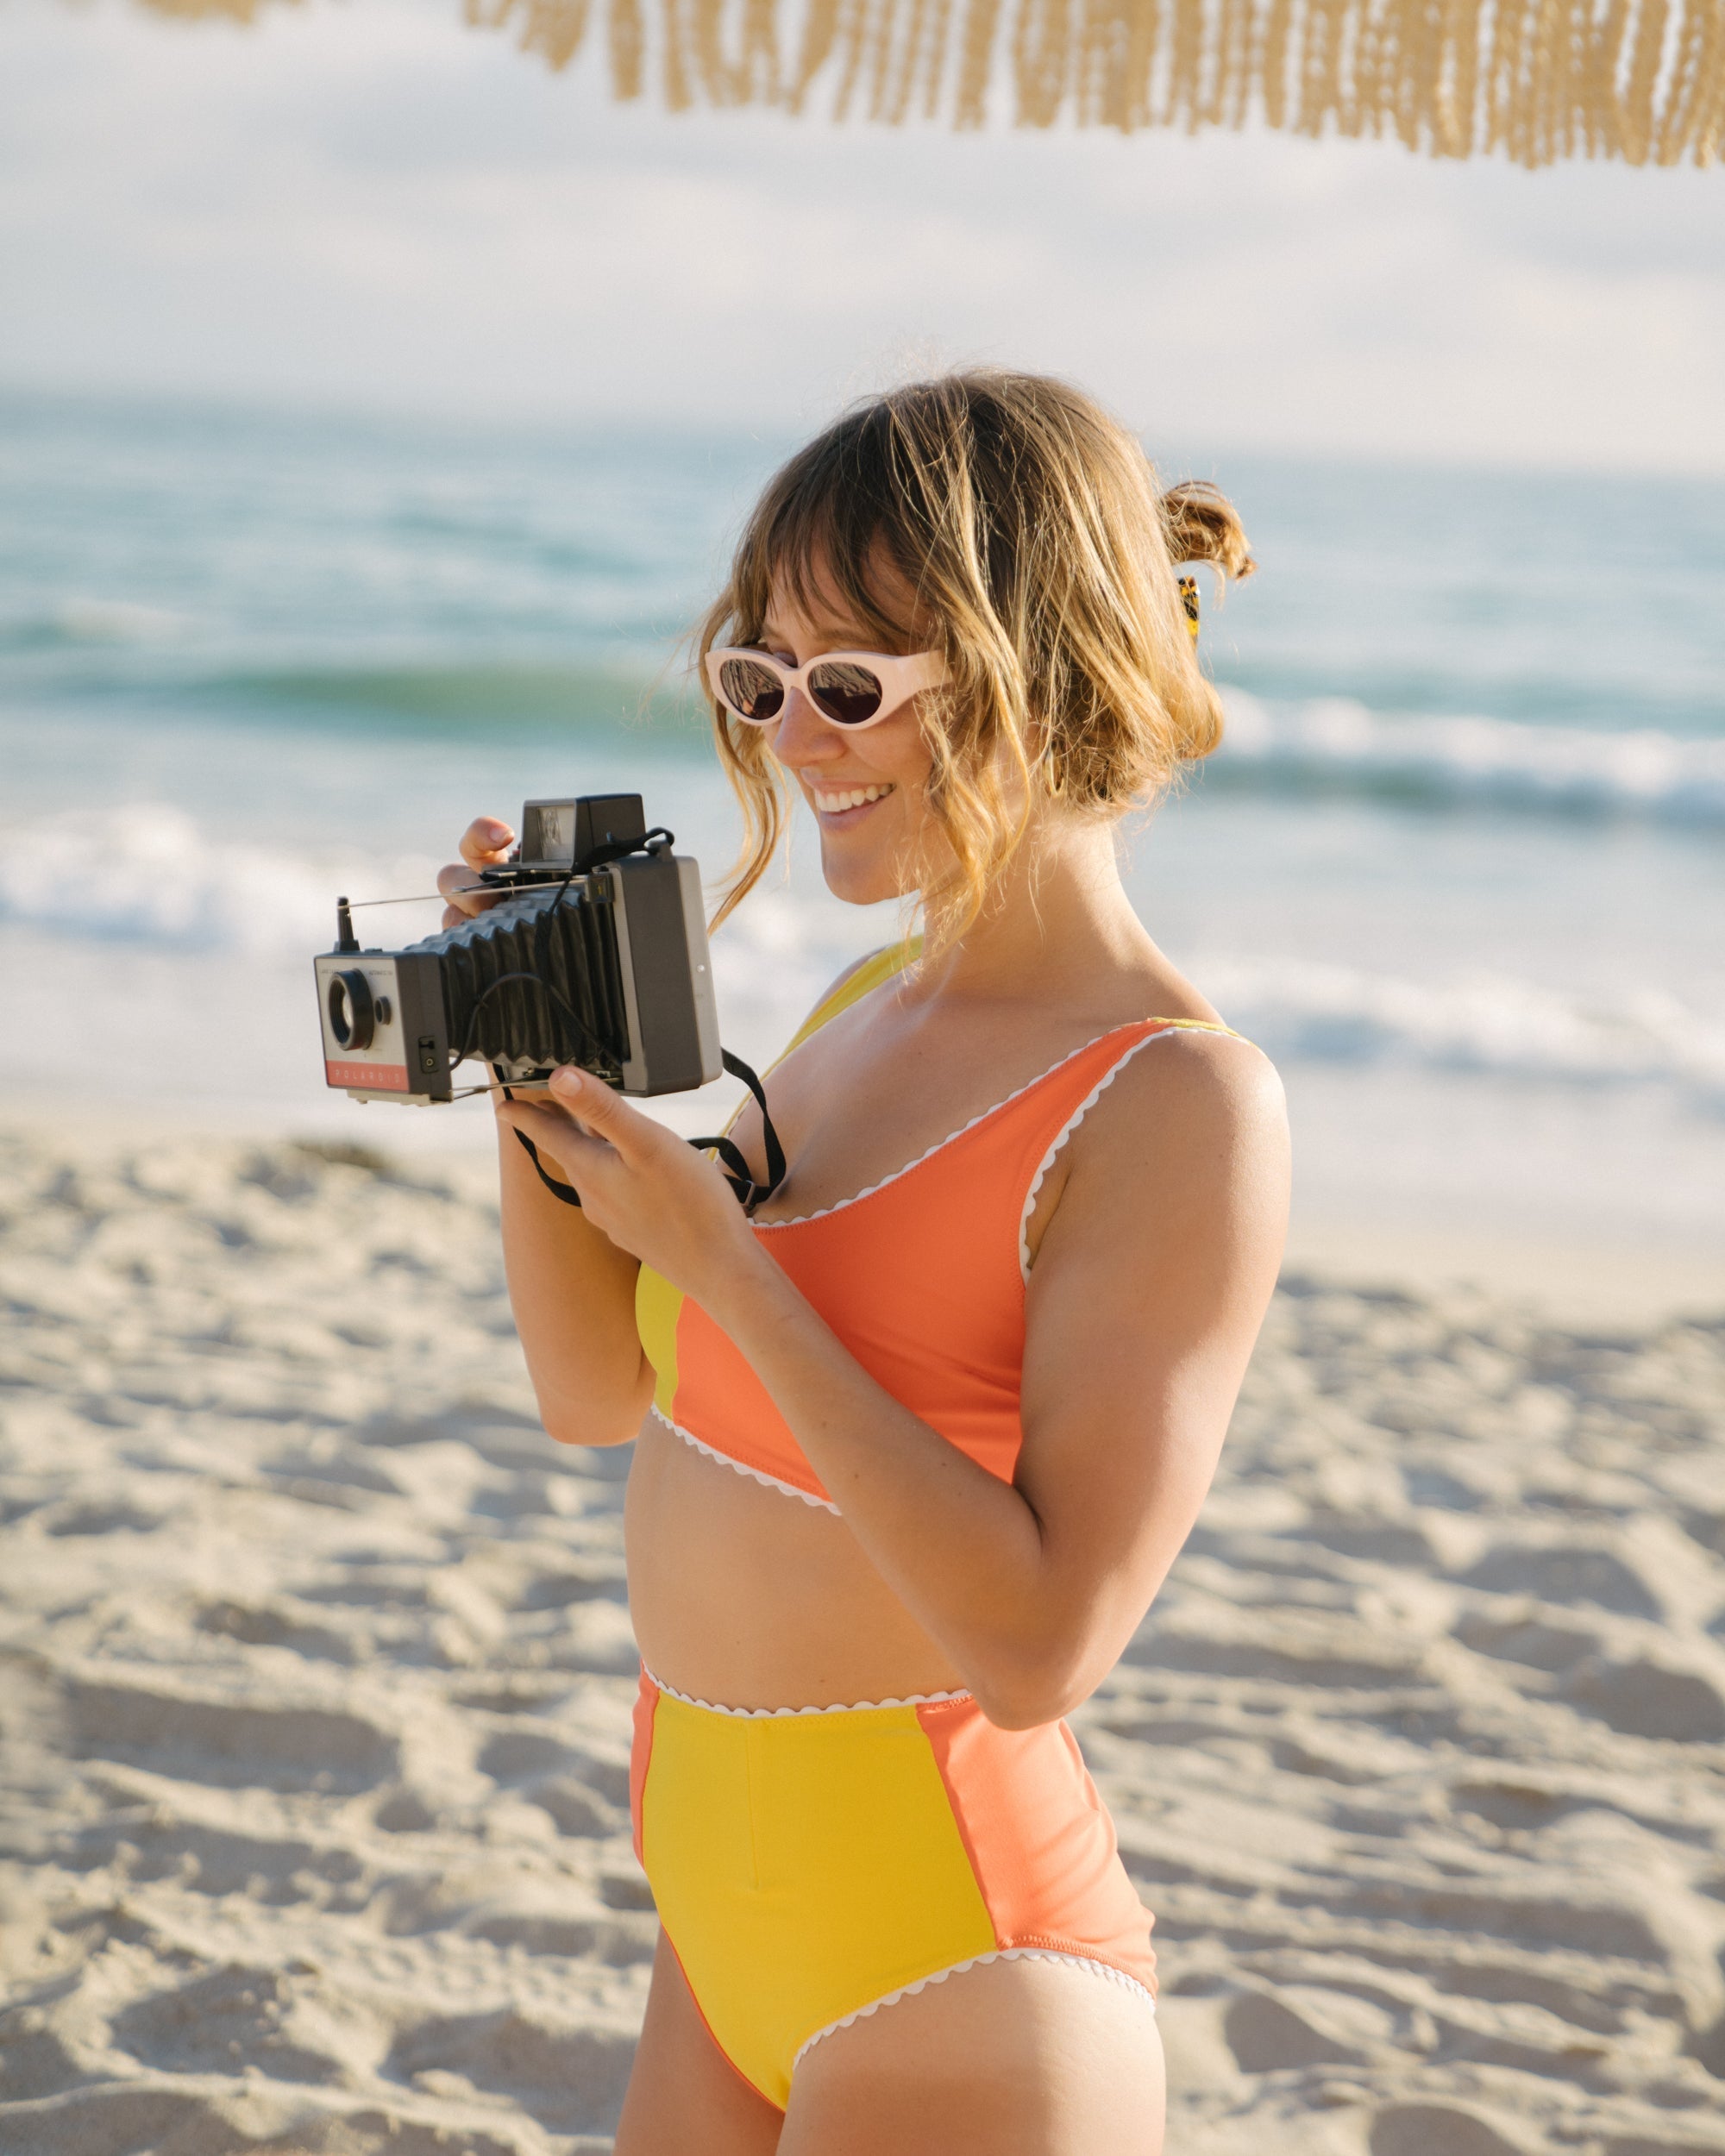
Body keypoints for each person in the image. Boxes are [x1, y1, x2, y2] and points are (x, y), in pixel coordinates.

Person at [437, 371, 1289, 2156]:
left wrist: (732, 1269)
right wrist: (529, 1067)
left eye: (849, 688)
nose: (790, 740)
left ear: (1037, 676)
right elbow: (597, 1393)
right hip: (720, 1926)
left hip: (957, 1967)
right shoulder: (853, 1012)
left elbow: (1046, 1637)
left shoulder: (1172, 1098)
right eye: (759, 683)